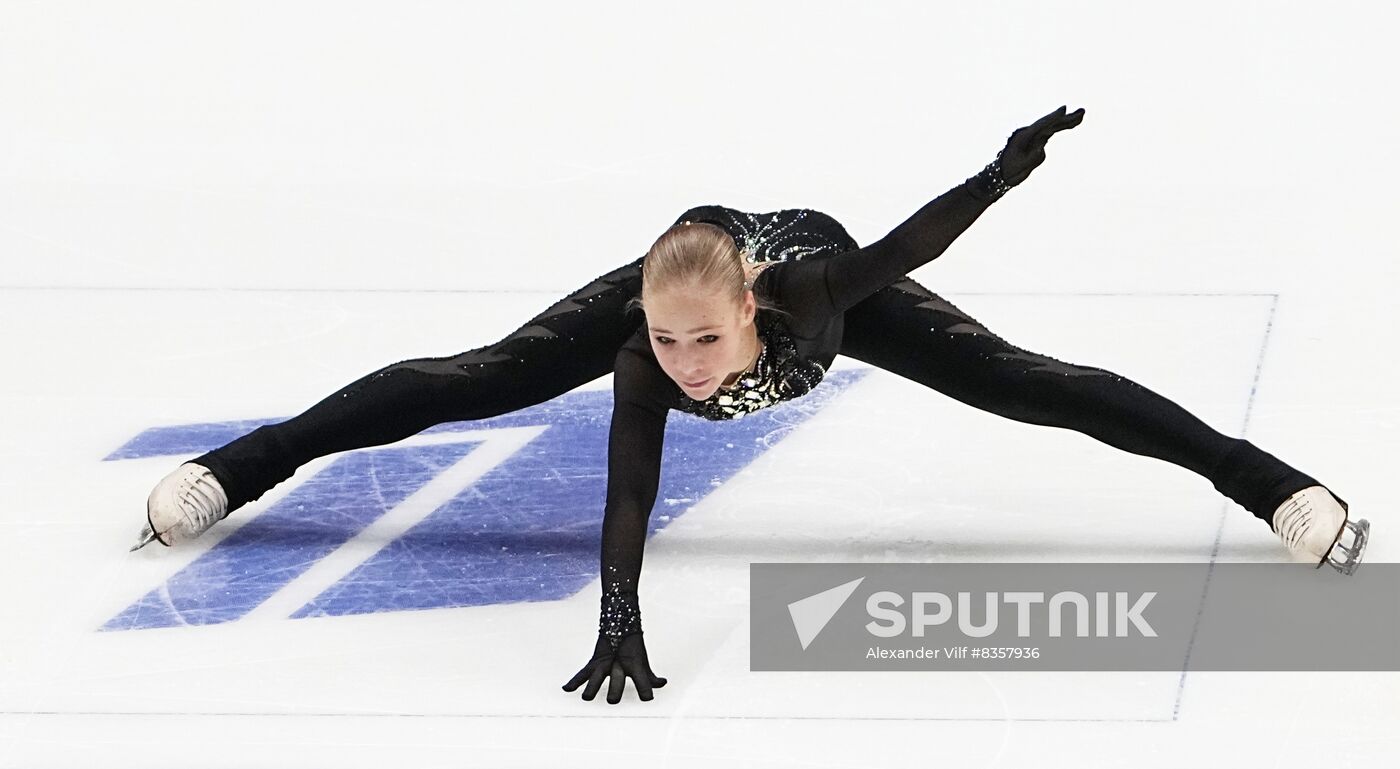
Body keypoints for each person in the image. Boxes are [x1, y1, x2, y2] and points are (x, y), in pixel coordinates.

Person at [132, 105, 1369, 705]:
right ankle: (238, 467)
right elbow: (629, 490)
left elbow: (905, 244)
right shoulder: (647, 345)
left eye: (703, 343)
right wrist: (618, 614)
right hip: (683, 259)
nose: (684, 367)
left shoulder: (806, 295)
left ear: (746, 313)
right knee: (476, 378)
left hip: (810, 271)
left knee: (1027, 383)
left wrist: (995, 175)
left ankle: (1275, 488)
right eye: (666, 344)